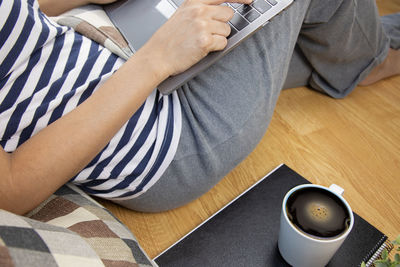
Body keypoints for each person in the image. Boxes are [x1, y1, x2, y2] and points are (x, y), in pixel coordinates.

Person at [0, 0, 399, 215]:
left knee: (279, 20)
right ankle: (372, 62)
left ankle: (363, 56)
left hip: (122, 56)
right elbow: (12, 189)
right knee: (283, 11)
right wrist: (156, 60)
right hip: (163, 142)